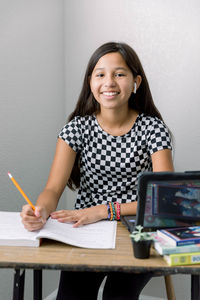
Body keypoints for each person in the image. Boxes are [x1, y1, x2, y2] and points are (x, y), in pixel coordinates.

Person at [20, 42, 174, 300]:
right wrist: (40, 211)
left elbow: (163, 198)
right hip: (85, 232)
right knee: (72, 295)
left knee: (118, 294)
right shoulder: (76, 128)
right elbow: (53, 188)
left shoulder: (153, 128)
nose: (109, 82)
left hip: (137, 230)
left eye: (119, 74)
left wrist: (104, 210)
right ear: (90, 82)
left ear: (136, 81)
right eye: (100, 74)